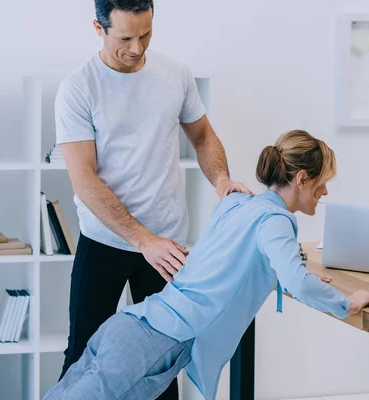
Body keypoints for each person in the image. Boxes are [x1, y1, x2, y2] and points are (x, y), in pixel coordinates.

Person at [43, 130, 369, 400]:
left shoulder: (237, 204)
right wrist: (347, 303)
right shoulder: (275, 220)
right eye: (323, 182)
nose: (326, 192)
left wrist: (285, 275)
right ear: (302, 179)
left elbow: (230, 264)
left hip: (132, 322)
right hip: (158, 340)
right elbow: (297, 283)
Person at [54, 0, 250, 397]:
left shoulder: (174, 74)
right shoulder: (78, 88)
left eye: (146, 34)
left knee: (160, 361)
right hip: (107, 242)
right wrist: (143, 241)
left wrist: (222, 178)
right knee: (82, 357)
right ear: (99, 28)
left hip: (168, 243)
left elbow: (202, 136)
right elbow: (84, 180)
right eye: (126, 37)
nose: (137, 48)